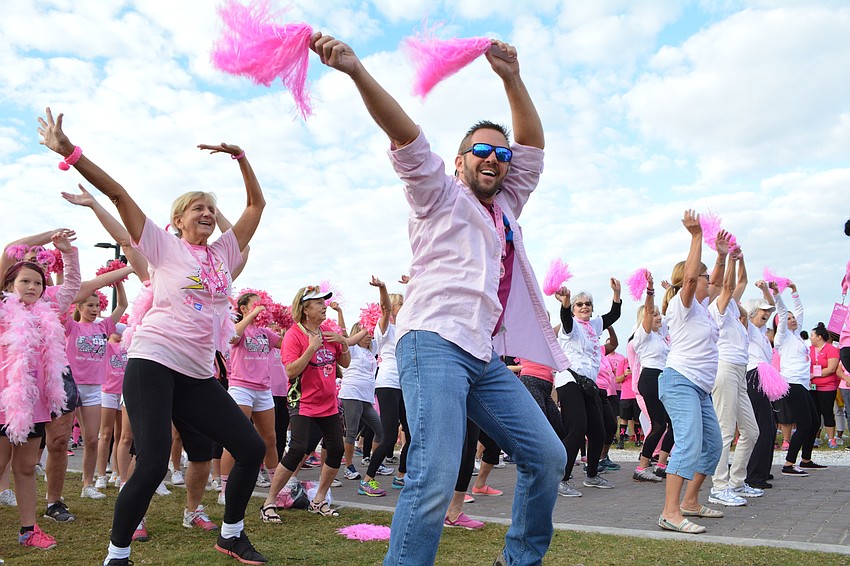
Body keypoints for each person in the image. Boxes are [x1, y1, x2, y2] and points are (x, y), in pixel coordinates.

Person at [310, 32, 568, 565]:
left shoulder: (509, 208)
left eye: (501, 153)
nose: (494, 158)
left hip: (485, 356)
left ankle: (519, 559)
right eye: (482, 151)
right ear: (459, 161)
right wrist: (357, 71)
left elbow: (534, 149)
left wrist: (512, 78)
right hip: (432, 342)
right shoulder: (438, 194)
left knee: (546, 456)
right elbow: (405, 135)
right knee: (433, 473)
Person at [38, 107, 268, 566]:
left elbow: (256, 207)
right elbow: (119, 194)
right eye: (196, 208)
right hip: (153, 361)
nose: (206, 212)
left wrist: (241, 157)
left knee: (249, 448)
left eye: (209, 207)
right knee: (153, 460)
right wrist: (71, 152)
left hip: (198, 373)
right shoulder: (163, 247)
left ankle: (231, 534)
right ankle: (117, 554)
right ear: (177, 220)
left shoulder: (223, 253)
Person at [0, 231, 79, 551]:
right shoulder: (3, 310)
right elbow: (7, 253)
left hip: (32, 404)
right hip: (4, 401)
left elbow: (73, 285)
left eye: (38, 283)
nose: (32, 287)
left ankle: (28, 529)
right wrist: (48, 236)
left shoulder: (45, 312)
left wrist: (68, 252)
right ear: (8, 286)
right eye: (25, 282)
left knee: (25, 466)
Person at [656, 211, 725, 534]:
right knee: (687, 442)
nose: (708, 280)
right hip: (679, 381)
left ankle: (691, 502)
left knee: (712, 444)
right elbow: (691, 278)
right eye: (703, 276)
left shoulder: (706, 313)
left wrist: (723, 255)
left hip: (700, 388)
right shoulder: (680, 307)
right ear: (692, 280)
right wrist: (697, 237)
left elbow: (722, 284)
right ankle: (670, 512)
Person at [261, 286, 350, 519]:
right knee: (298, 448)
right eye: (318, 303)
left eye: (324, 302)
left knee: (336, 449)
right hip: (304, 401)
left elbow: (346, 363)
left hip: (328, 402)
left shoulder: (328, 331)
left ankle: (319, 500)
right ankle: (269, 502)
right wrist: (311, 349)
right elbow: (291, 371)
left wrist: (344, 342)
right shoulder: (294, 334)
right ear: (305, 309)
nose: (324, 306)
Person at [553, 280, 622, 496]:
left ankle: (592, 475)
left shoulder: (594, 326)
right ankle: (561, 479)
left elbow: (614, 315)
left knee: (598, 430)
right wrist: (565, 304)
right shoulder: (570, 326)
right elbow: (565, 319)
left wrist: (617, 293)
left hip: (589, 384)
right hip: (570, 380)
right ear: (573, 309)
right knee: (577, 429)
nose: (584, 307)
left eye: (588, 304)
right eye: (579, 304)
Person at [708, 248, 763, 505]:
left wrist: (741, 258)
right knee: (725, 431)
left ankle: (736, 482)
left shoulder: (731, 305)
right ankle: (718, 487)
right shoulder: (717, 307)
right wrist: (729, 257)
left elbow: (741, 282)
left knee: (751, 431)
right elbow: (729, 285)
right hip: (725, 368)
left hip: (739, 371)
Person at [774, 282, 826, 476]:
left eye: (793, 317)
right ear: (781, 323)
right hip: (792, 383)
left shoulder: (797, 337)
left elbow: (800, 311)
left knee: (814, 422)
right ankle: (788, 464)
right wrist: (777, 294)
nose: (793, 319)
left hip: (803, 385)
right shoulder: (783, 338)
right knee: (805, 423)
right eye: (788, 318)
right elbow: (781, 311)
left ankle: (806, 459)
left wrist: (795, 292)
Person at [631, 271, 671, 483]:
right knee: (658, 425)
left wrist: (670, 290)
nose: (658, 317)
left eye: (658, 315)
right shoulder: (643, 335)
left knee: (672, 423)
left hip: (663, 379)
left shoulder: (660, 336)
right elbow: (648, 309)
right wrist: (650, 290)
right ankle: (641, 467)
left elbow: (670, 312)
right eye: (654, 315)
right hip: (650, 378)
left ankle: (662, 464)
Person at [742, 281, 778, 489]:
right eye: (761, 312)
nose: (766, 314)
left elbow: (772, 307)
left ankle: (762, 471)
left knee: (769, 428)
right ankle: (754, 475)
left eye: (766, 313)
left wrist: (765, 291)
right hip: (754, 376)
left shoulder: (762, 331)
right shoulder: (748, 329)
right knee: (762, 427)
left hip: (764, 377)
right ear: (752, 313)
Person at [809, 323, 841, 447]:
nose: (810, 338)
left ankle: (831, 439)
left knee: (827, 412)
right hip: (812, 386)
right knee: (814, 413)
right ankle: (815, 438)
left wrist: (814, 375)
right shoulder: (810, 350)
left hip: (827, 386)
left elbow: (832, 368)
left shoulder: (831, 349)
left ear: (819, 337)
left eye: (812, 335)